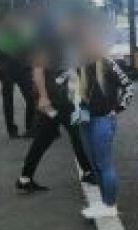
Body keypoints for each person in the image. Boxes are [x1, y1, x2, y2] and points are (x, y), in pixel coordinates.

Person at [16, 12, 93, 193]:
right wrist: (43, 97)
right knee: (75, 133)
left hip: (66, 99)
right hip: (54, 100)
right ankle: (88, 171)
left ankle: (25, 178)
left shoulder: (67, 42)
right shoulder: (46, 43)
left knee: (47, 137)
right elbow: (37, 70)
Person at [76, 28, 133, 219]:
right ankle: (104, 203)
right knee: (95, 165)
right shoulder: (80, 65)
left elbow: (129, 88)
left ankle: (110, 204)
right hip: (84, 121)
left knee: (104, 164)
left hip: (102, 121)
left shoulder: (109, 64)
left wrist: (116, 110)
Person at [0, 10, 35, 139]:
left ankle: (30, 127)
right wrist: (7, 54)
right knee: (8, 102)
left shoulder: (25, 34)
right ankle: (12, 130)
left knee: (31, 98)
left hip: (23, 71)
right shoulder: (1, 36)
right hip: (7, 72)